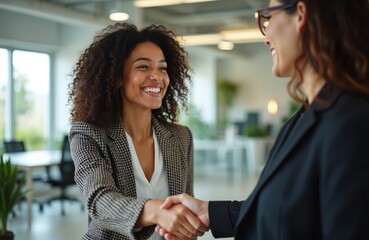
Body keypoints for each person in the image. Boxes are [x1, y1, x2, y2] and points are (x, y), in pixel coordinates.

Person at [157, 0, 369, 239]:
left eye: (267, 17)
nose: (266, 35)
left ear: (301, 15)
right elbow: (287, 211)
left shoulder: (352, 125)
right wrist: (211, 212)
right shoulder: (302, 118)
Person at [68, 22, 207, 240]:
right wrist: (158, 213)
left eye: (162, 68)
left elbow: (185, 208)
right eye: (143, 67)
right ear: (116, 77)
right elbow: (99, 200)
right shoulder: (88, 134)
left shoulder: (181, 137)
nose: (157, 76)